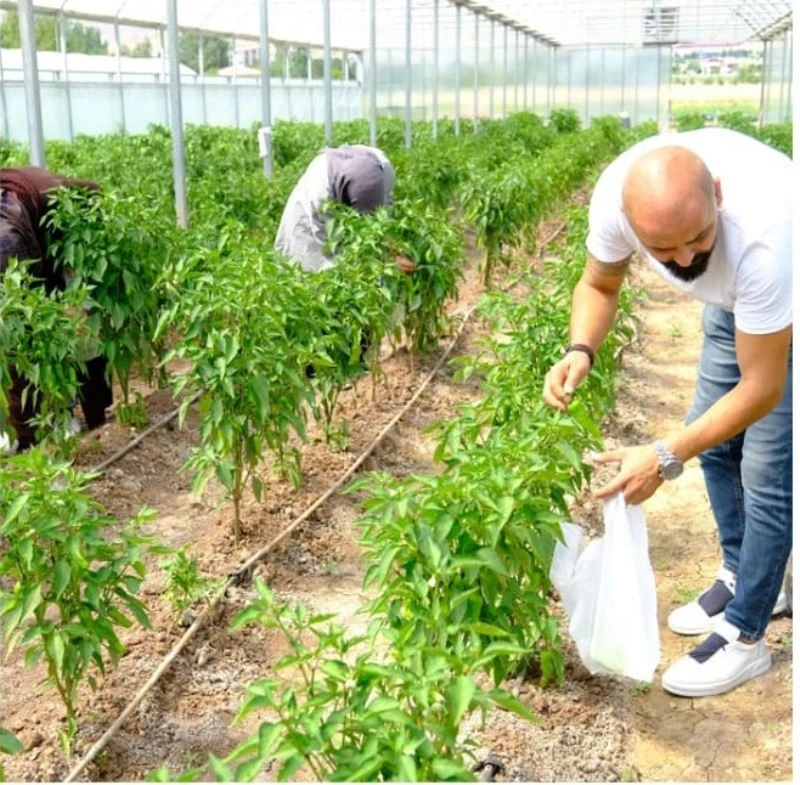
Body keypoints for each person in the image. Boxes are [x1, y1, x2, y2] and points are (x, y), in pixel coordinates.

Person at [541, 128, 792, 698]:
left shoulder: (764, 239)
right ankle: (747, 575)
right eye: (663, 250)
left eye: (699, 237)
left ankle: (747, 635)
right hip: (736, 303)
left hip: (785, 302)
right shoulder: (615, 201)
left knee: (768, 473)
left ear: (719, 195)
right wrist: (581, 348)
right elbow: (599, 283)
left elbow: (762, 388)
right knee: (719, 444)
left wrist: (663, 456)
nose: (686, 259)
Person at [0, 166, 113, 451]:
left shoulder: (16, 245)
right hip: (33, 222)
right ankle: (29, 430)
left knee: (76, 329)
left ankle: (87, 416)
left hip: (59, 235)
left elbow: (24, 334)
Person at [275, 144, 414, 273]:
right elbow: (330, 246)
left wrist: (392, 249)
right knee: (311, 263)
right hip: (312, 215)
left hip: (345, 180)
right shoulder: (321, 195)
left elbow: (384, 215)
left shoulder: (385, 170)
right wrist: (378, 264)